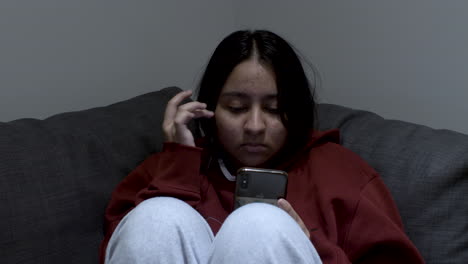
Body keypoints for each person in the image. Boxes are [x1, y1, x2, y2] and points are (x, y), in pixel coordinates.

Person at [100, 30, 424, 264]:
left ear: (295, 110)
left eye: (273, 109)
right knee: (157, 217)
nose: (255, 127)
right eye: (237, 108)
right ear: (210, 109)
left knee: (259, 223)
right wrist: (178, 167)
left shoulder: (344, 175)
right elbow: (122, 248)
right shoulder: (168, 167)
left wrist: (309, 246)